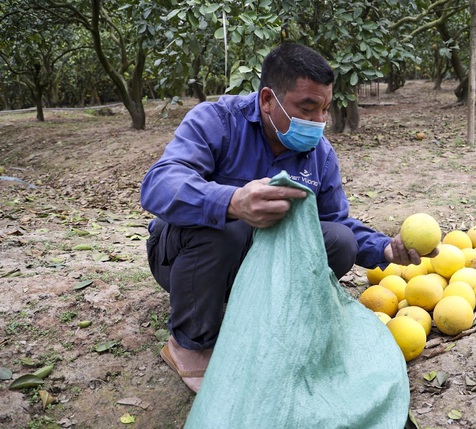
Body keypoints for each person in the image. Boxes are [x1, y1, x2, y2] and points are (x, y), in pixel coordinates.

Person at [141, 43, 430, 393]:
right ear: (267, 99)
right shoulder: (217, 121)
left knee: (340, 242)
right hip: (184, 259)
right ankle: (189, 344)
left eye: (325, 109)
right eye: (307, 108)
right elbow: (158, 183)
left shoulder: (319, 154)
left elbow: (337, 221)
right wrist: (231, 200)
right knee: (226, 229)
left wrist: (385, 249)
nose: (318, 122)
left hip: (255, 267)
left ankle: (265, 315)